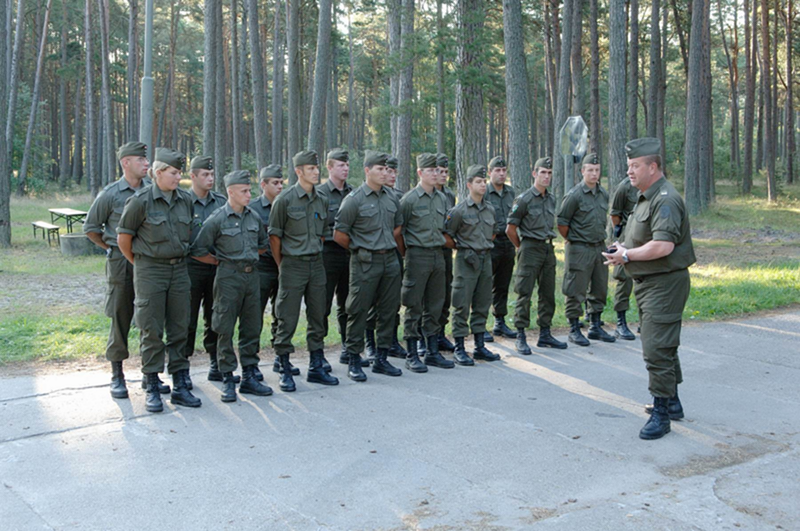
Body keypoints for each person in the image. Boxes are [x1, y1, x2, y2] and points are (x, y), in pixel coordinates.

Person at [603, 137, 696, 440]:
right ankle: (672, 402)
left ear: (652, 167)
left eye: (635, 166)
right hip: (649, 283)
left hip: (664, 284)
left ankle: (662, 414)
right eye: (628, 166)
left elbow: (663, 246)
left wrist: (627, 255)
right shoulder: (646, 197)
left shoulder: (665, 199)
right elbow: (645, 238)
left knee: (656, 348)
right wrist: (622, 247)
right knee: (662, 344)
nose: (629, 171)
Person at [117, 148, 202, 412]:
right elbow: (124, 239)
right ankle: (152, 384)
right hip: (150, 270)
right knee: (151, 329)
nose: (178, 177)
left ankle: (180, 383)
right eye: (173, 173)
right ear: (158, 173)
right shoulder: (140, 201)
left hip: (179, 270)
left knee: (180, 327)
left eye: (179, 173)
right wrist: (142, 264)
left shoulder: (185, 200)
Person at [191, 170, 274, 402]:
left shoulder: (253, 217)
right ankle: (227, 377)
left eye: (249, 190)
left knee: (251, 326)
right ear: (230, 192)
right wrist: (220, 261)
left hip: (252, 277)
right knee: (224, 327)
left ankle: (249, 375)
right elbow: (198, 249)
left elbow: (262, 245)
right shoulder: (217, 219)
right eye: (244, 191)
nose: (249, 195)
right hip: (228, 278)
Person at [84, 141, 156, 399]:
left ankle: (150, 373)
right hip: (121, 263)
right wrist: (111, 247)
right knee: (120, 314)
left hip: (147, 261)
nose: (146, 164)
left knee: (150, 316)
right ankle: (117, 374)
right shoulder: (111, 194)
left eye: (146, 160)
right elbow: (91, 228)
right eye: (140, 160)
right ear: (126, 163)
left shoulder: (152, 190)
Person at [269, 150, 339, 391]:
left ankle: (316, 365)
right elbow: (275, 237)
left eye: (317, 168)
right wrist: (283, 265)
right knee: (287, 316)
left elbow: (322, 233)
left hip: (316, 264)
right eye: (311, 169)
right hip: (292, 264)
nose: (316, 172)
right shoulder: (285, 200)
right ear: (298, 171)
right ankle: (284, 366)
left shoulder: (321, 199)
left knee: (318, 314)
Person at [334, 150, 404, 381]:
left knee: (388, 310)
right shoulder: (354, 200)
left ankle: (381, 358)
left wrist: (385, 243)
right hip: (365, 262)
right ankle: (354, 359)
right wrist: (361, 247)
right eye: (380, 169)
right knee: (358, 310)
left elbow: (397, 227)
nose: (384, 173)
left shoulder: (391, 197)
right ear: (367, 170)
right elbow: (339, 234)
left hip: (390, 260)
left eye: (387, 169)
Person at [506, 157, 568, 354]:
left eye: (549, 173)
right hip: (530, 247)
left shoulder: (551, 199)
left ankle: (545, 333)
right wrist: (521, 247)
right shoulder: (524, 199)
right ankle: (521, 334)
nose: (546, 176)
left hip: (548, 248)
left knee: (547, 293)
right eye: (543, 172)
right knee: (524, 292)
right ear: (534, 174)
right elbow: (510, 229)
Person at [557, 152, 616, 346]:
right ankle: (574, 328)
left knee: (599, 287)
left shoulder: (603, 194)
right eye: (590, 170)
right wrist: (572, 239)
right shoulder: (574, 195)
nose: (594, 174)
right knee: (575, 288)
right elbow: (562, 222)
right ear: (582, 171)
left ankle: (595, 326)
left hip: (599, 246)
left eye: (597, 170)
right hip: (579, 248)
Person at [399, 153, 451, 372]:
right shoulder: (409, 200)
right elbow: (398, 231)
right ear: (420, 172)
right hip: (417, 256)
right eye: (430, 170)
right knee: (414, 305)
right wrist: (408, 253)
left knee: (435, 304)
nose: (435, 174)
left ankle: (432, 352)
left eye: (437, 170)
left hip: (437, 255)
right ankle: (412, 353)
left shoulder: (442, 199)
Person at [443, 165, 500, 364]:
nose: (483, 185)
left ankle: (479, 346)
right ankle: (459, 347)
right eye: (478, 182)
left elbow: (493, 232)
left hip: (485, 259)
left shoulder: (490, 209)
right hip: (466, 260)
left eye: (484, 181)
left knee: (483, 301)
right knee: (461, 302)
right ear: (469, 185)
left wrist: (482, 245)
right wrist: (463, 247)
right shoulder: (459, 210)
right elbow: (447, 235)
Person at [184, 156, 231, 387]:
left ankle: (215, 362)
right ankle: (182, 367)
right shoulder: (182, 202)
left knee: (216, 316)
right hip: (190, 269)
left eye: (212, 174)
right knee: (187, 319)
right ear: (193, 176)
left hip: (216, 268)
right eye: (205, 175)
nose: (210, 179)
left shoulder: (220, 202)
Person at [250, 164, 295, 376]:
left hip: (284, 265)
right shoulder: (253, 208)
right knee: (254, 315)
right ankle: (252, 362)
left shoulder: (287, 205)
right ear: (263, 184)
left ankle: (281, 357)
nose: (279, 186)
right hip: (261, 267)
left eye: (281, 183)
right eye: (274, 183)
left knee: (283, 313)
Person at [362, 155, 407, 361]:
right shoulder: (367, 196)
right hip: (373, 254)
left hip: (393, 253)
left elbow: (400, 228)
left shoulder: (397, 197)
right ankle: (370, 343)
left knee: (392, 302)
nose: (391, 175)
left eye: (394, 171)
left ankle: (391, 341)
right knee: (372, 300)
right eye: (387, 170)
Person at [317, 148, 357, 367]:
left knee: (348, 303)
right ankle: (318, 352)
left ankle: (348, 347)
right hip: (328, 254)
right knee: (322, 304)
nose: (345, 169)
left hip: (349, 253)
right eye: (341, 165)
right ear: (329, 167)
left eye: (347, 165)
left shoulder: (354, 193)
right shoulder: (320, 194)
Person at [484, 156, 517, 341]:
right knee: (484, 284)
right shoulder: (484, 192)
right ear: (490, 173)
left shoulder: (511, 193)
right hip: (490, 243)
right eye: (497, 170)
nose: (501, 174)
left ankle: (500, 321)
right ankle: (480, 324)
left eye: (504, 170)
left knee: (502, 284)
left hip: (508, 242)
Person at [609, 173, 640, 340]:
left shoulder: (653, 185)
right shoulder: (625, 187)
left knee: (647, 276)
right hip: (627, 236)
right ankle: (621, 322)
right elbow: (615, 214)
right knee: (624, 278)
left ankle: (646, 320)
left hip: (646, 236)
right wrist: (620, 234)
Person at [433, 153, 457, 352]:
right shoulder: (425, 194)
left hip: (446, 250)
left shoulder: (449, 195)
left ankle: (440, 333)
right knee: (428, 296)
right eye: (439, 171)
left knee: (445, 293)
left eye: (445, 172)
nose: (442, 175)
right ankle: (426, 336)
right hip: (429, 249)